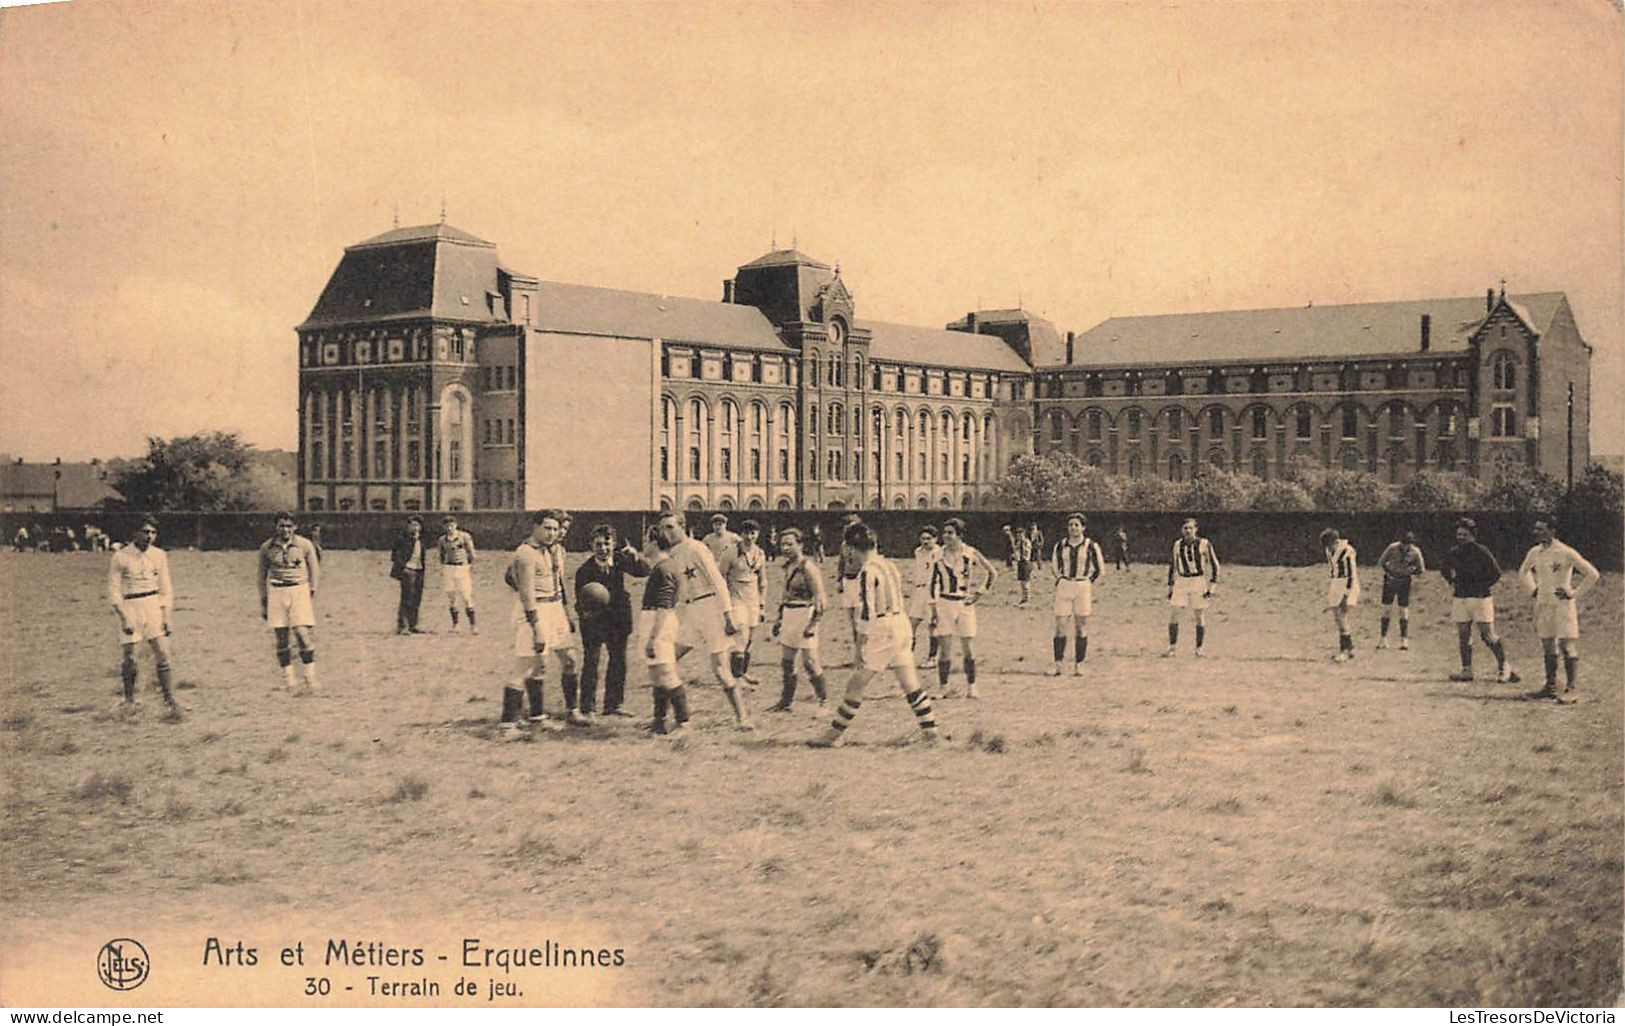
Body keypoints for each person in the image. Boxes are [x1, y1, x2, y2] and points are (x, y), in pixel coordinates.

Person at [810, 522, 940, 747]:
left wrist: (859, 647)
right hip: (902, 625)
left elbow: (868, 613)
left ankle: (834, 735)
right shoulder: (889, 565)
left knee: (856, 684)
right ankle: (931, 734)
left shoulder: (867, 572)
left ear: (850, 548)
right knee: (910, 683)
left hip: (883, 629)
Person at [657, 511, 753, 729]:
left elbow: (718, 581)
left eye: (670, 527)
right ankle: (665, 719)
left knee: (720, 670)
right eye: (663, 528)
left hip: (711, 609)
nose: (666, 532)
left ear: (682, 526)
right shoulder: (672, 553)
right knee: (666, 660)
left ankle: (742, 719)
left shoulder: (697, 548)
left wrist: (728, 616)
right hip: (690, 611)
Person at [498, 510, 576, 733]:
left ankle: (541, 716)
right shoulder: (525, 553)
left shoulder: (557, 550)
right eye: (547, 528)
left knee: (569, 658)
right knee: (527, 666)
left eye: (555, 528)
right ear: (535, 527)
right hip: (535, 610)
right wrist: (537, 627)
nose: (552, 533)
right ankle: (507, 725)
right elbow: (526, 593)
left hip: (555, 607)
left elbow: (559, 584)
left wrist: (566, 613)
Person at [1518, 518, 1600, 701]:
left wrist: (1573, 593)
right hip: (1543, 604)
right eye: (1536, 528)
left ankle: (1571, 689)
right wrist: (1533, 589)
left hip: (1563, 606)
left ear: (1552, 531)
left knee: (1566, 645)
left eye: (1541, 529)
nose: (1536, 532)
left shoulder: (1565, 552)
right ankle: (1551, 686)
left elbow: (1592, 574)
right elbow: (1523, 572)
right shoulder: (1535, 552)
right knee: (1547, 644)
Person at [107, 517, 180, 719]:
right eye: (145, 532)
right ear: (134, 533)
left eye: (152, 532)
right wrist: (124, 618)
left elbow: (166, 588)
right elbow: (114, 591)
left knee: (163, 654)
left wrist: (166, 615)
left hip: (153, 605)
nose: (149, 536)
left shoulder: (159, 555)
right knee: (130, 656)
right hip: (130, 606)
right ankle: (129, 700)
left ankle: (169, 700)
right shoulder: (121, 556)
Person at [574, 523, 650, 717]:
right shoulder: (584, 571)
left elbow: (644, 571)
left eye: (607, 544)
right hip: (594, 622)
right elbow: (580, 601)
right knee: (591, 662)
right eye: (598, 544)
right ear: (591, 545)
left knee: (618, 661)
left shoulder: (620, 560)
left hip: (618, 621)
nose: (603, 548)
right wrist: (587, 614)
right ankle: (587, 707)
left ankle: (613, 705)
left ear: (614, 544)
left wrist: (635, 556)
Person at [1441, 518, 1518, 684]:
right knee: (1463, 635)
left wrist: (1480, 586)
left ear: (1472, 535)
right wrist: (1452, 580)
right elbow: (1444, 568)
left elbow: (1496, 573)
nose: (1461, 537)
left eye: (1464, 534)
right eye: (1459, 534)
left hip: (1480, 598)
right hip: (1460, 598)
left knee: (1487, 636)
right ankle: (1467, 670)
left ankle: (1504, 667)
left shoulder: (1481, 551)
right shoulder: (1453, 552)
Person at [930, 517, 997, 699]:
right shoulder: (937, 555)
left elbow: (992, 572)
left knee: (968, 647)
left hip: (964, 604)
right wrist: (934, 607)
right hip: (945, 603)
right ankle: (943, 688)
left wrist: (979, 593)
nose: (946, 536)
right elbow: (932, 584)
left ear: (959, 535)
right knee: (945, 649)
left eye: (950, 533)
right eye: (944, 533)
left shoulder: (970, 553)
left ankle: (972, 686)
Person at [257, 512, 321, 691]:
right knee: (281, 638)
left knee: (302, 635)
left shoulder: (305, 545)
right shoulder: (267, 548)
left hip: (299, 589)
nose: (285, 529)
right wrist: (264, 599)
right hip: (277, 591)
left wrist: (311, 591)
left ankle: (310, 677)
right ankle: (289, 679)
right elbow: (261, 576)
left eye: (288, 526)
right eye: (281, 526)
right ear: (275, 527)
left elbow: (314, 569)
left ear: (295, 527)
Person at [768, 526, 829, 712]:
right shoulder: (787, 566)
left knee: (810, 663)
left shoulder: (808, 568)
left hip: (805, 615)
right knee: (787, 662)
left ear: (800, 545)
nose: (785, 548)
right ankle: (786, 702)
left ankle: (823, 702)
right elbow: (785, 595)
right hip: (789, 615)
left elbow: (822, 600)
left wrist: (813, 625)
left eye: (790, 544)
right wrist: (779, 619)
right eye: (782, 544)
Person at [640, 526, 690, 737]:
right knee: (656, 675)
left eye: (645, 540)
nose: (643, 544)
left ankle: (684, 723)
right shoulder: (663, 566)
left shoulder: (664, 569)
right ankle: (659, 721)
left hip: (658, 623)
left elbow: (664, 606)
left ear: (654, 542)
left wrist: (653, 638)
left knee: (667, 674)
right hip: (655, 621)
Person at [1050, 513, 1103, 677]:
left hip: (1082, 586)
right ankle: (1058, 665)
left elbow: (1100, 569)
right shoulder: (1060, 545)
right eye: (1070, 525)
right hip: (1065, 585)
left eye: (1076, 525)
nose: (1073, 528)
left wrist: (1087, 582)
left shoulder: (1091, 546)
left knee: (1081, 627)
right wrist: (1060, 579)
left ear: (1083, 527)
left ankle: (1079, 665)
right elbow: (1054, 565)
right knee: (1060, 625)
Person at [720, 518, 768, 686]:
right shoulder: (731, 552)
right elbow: (720, 576)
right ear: (741, 534)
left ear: (758, 534)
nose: (749, 536)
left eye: (753, 533)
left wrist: (762, 605)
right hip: (736, 598)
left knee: (750, 640)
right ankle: (737, 679)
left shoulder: (760, 554)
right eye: (746, 533)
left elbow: (763, 581)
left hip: (752, 599)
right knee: (741, 636)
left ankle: (743, 673)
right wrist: (725, 600)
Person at [1165, 517, 1220, 657]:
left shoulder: (1204, 543)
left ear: (1196, 529)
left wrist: (1212, 587)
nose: (1188, 531)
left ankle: (1199, 649)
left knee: (1199, 615)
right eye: (1185, 528)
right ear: (1181, 530)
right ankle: (1172, 648)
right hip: (1181, 581)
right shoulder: (1177, 544)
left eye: (1190, 528)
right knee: (1174, 614)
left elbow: (1215, 565)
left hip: (1198, 581)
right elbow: (1173, 565)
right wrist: (1170, 586)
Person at [1375, 530, 1425, 650]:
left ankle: (1404, 640)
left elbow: (1421, 569)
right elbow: (1381, 562)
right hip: (1390, 580)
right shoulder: (1392, 548)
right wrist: (1389, 573)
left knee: (1403, 610)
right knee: (1386, 609)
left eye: (1408, 544)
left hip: (1404, 581)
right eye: (1403, 543)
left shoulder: (1415, 552)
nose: (1405, 546)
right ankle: (1383, 639)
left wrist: (1411, 571)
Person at [1320, 527, 1360, 662]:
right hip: (1336, 584)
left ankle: (1344, 651)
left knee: (1342, 617)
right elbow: (1333, 571)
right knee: (1338, 618)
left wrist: (1346, 595)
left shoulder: (1347, 551)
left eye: (1330, 545)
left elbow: (1351, 575)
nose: (1328, 548)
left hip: (1347, 584)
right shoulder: (1328, 551)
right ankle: (1350, 649)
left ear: (1336, 541)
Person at [437, 514, 479, 634]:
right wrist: (444, 566)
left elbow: (471, 553)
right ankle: (456, 625)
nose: (450, 528)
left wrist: (468, 566)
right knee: (452, 597)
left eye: (451, 525)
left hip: (462, 568)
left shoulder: (464, 537)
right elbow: (441, 555)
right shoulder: (442, 540)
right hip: (449, 568)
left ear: (455, 525)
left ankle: (473, 626)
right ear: (444, 527)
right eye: (447, 526)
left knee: (466, 596)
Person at [908, 526, 942, 668]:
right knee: (911, 625)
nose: (926, 541)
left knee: (932, 625)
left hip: (933, 590)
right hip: (919, 591)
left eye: (929, 538)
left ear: (935, 539)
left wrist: (935, 597)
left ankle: (932, 658)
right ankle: (907, 658)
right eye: (923, 538)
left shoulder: (939, 553)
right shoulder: (918, 552)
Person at [390, 515, 428, 634]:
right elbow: (395, 556)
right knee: (407, 598)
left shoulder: (421, 540)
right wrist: (404, 567)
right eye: (412, 525)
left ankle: (413, 624)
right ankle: (402, 626)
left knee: (417, 597)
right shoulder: (402, 539)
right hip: (408, 571)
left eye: (417, 525)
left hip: (419, 570)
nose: (414, 527)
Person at [836, 513, 866, 656]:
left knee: (859, 619)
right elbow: (841, 563)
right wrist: (839, 580)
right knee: (852, 621)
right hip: (847, 582)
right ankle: (858, 651)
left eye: (852, 526)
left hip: (860, 582)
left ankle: (865, 652)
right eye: (846, 526)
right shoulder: (844, 545)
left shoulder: (863, 545)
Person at [1013, 526, 1035, 605]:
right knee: (1022, 581)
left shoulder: (1026, 542)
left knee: (1026, 581)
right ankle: (1024, 597)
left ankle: (1027, 598)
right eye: (1017, 535)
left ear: (1023, 534)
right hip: (1020, 563)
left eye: (1020, 534)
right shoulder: (1018, 543)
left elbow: (1026, 551)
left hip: (1026, 562)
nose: (1018, 536)